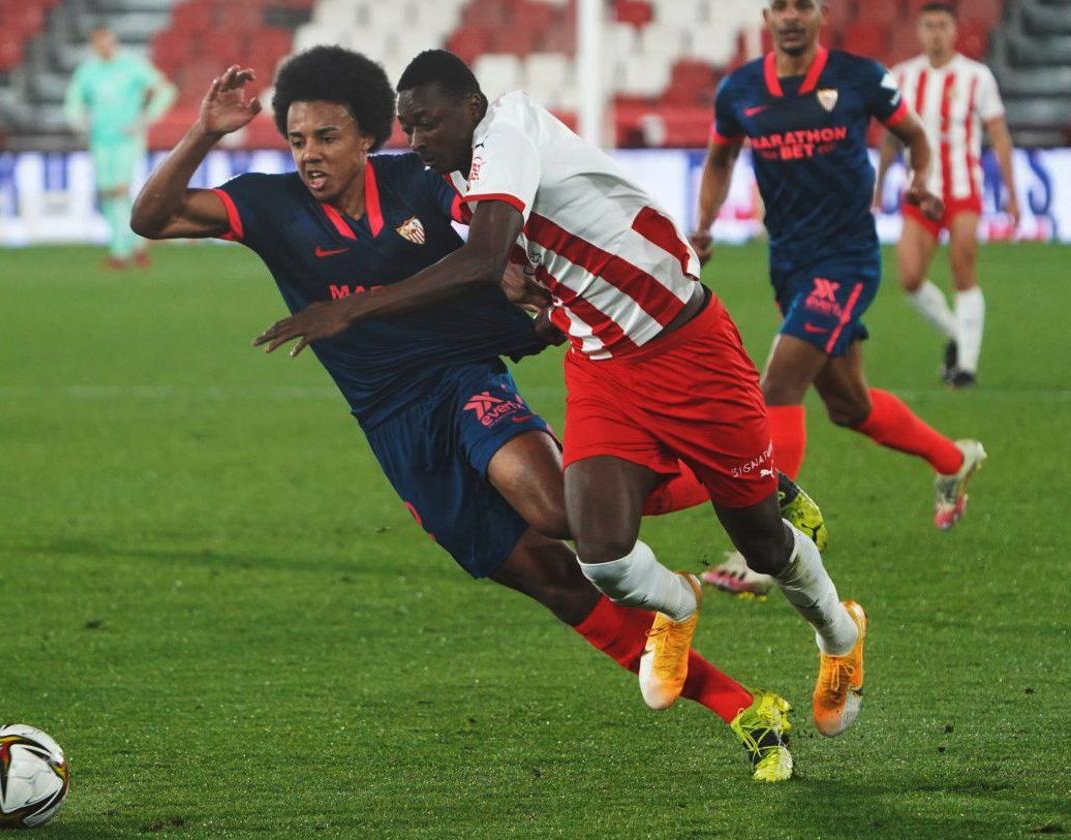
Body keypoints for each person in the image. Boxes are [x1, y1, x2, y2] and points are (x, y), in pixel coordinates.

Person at [130, 46, 814, 781]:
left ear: (368, 136)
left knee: (558, 512)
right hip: (395, 430)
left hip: (462, 381)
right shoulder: (269, 205)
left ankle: (745, 481)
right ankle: (744, 705)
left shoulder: (419, 181)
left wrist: (523, 294)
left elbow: (496, 241)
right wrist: (205, 131)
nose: (310, 156)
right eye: (297, 140)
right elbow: (151, 217)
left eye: (326, 137)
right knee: (556, 585)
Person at [688, 0, 987, 594]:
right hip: (789, 264)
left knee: (778, 385)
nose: (792, 16)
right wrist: (704, 224)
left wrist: (922, 182)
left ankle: (769, 549)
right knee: (849, 406)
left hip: (848, 260)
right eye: (781, 7)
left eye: (803, 6)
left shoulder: (861, 77)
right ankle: (954, 459)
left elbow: (915, 137)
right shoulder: (740, 91)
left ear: (821, 15)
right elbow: (720, 159)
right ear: (767, 17)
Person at [874, 0, 1018, 388]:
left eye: (942, 25)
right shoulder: (902, 77)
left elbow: (1000, 136)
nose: (936, 33)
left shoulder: (977, 77)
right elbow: (891, 137)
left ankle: (966, 368)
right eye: (929, 26)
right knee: (909, 277)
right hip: (919, 193)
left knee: (963, 270)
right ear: (918, 32)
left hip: (962, 189)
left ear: (955, 30)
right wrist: (879, 186)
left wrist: (1012, 193)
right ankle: (958, 333)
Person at [64, 24, 176, 269]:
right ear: (94, 45)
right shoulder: (88, 71)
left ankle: (121, 250)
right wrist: (78, 120)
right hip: (101, 140)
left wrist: (146, 118)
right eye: (99, 43)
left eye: (107, 41)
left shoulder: (131, 66)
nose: (104, 46)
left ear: (113, 42)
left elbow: (165, 90)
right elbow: (73, 100)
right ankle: (132, 245)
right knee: (107, 192)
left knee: (120, 190)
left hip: (128, 139)